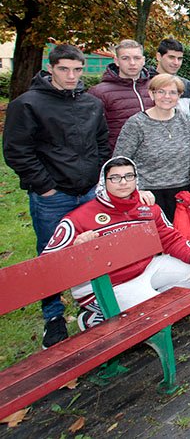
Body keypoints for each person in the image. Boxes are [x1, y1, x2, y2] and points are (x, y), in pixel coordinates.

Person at [3, 44, 111, 348]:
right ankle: (53, 316)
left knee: (92, 251)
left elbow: (102, 142)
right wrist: (45, 186)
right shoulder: (28, 104)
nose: (71, 76)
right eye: (64, 69)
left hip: (88, 192)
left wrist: (94, 175)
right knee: (50, 256)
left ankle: (91, 305)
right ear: (51, 68)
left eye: (77, 70)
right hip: (53, 196)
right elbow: (16, 151)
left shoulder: (91, 104)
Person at [42, 157, 190, 329]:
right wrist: (76, 249)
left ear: (136, 179)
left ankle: (133, 307)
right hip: (110, 284)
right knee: (153, 311)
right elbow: (49, 264)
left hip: (144, 268)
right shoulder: (78, 219)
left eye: (129, 176)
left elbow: (169, 237)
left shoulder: (146, 208)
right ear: (103, 181)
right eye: (115, 178)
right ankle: (97, 313)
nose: (123, 182)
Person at [114, 73, 190, 222]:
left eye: (172, 92)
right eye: (161, 92)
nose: (167, 97)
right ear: (151, 94)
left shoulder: (184, 119)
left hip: (181, 194)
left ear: (179, 96)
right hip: (149, 196)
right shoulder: (136, 124)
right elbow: (120, 161)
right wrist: (137, 189)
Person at [89, 39, 154, 149]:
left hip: (154, 159)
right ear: (117, 60)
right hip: (119, 161)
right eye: (125, 58)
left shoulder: (155, 88)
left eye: (137, 58)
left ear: (143, 60)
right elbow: (92, 133)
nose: (132, 63)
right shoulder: (99, 92)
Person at [152, 38, 190, 117]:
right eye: (171, 57)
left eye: (179, 59)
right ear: (159, 57)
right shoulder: (145, 84)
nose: (176, 62)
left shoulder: (188, 87)